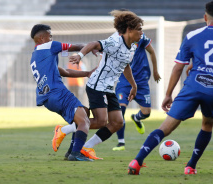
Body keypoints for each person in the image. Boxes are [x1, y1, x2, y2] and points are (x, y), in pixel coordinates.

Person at [127, 1, 213, 175]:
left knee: (166, 127)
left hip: (193, 86)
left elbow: (178, 67)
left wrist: (168, 94)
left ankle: (137, 161)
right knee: (207, 125)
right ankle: (190, 166)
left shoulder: (192, 35)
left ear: (205, 17)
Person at [54, 10, 144, 159]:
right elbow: (93, 44)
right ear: (129, 30)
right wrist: (80, 55)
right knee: (101, 121)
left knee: (117, 122)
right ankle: (63, 129)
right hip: (97, 86)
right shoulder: (115, 42)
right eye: (139, 29)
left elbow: (125, 65)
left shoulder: (133, 46)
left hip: (109, 88)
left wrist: (133, 85)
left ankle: (86, 148)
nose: (141, 32)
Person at [30, 24, 95, 161]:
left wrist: (87, 73)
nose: (52, 38)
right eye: (50, 36)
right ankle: (75, 154)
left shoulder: (36, 57)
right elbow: (75, 47)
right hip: (57, 93)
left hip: (48, 98)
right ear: (42, 38)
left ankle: (71, 151)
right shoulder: (49, 46)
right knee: (84, 120)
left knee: (84, 113)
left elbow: (64, 72)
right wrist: (92, 47)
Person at [112, 32, 161, 151]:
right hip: (124, 80)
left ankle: (136, 118)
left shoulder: (141, 37)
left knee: (146, 112)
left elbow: (152, 52)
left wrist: (155, 71)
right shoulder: (115, 39)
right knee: (120, 110)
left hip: (141, 80)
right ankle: (121, 143)